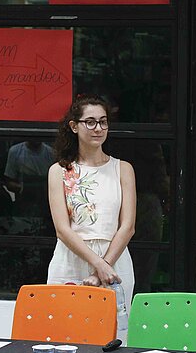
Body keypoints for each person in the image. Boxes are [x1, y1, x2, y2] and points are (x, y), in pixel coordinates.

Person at [46, 95, 136, 330]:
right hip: (70, 259)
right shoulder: (59, 171)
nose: (98, 128)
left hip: (114, 258)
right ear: (74, 126)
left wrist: (103, 268)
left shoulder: (123, 169)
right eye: (90, 122)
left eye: (103, 122)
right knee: (65, 333)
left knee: (113, 335)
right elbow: (62, 229)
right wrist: (99, 264)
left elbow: (127, 226)